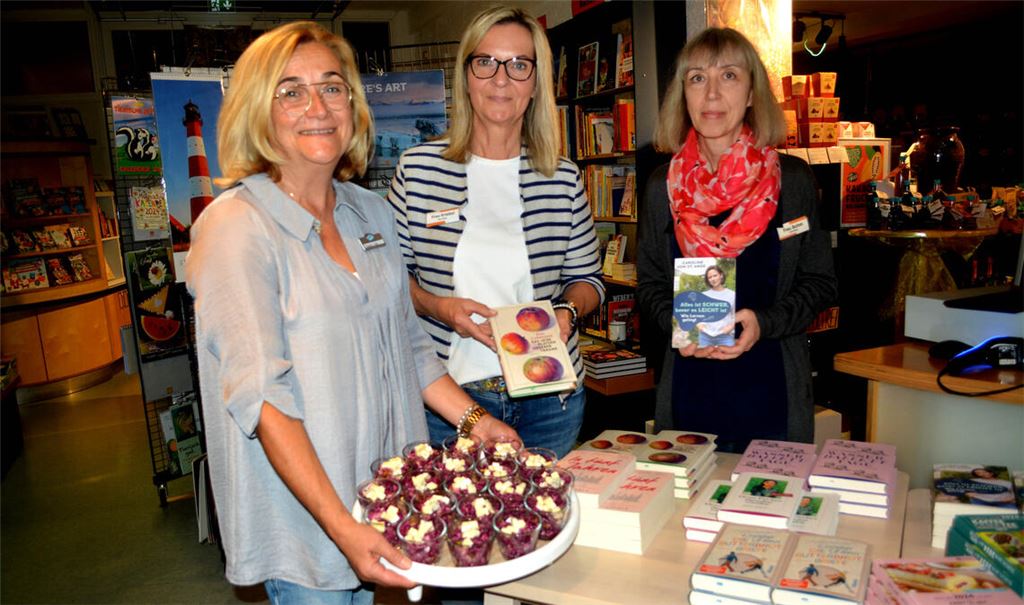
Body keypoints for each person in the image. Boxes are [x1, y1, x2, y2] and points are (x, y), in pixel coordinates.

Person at [186, 22, 516, 604]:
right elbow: (261, 396)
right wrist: (343, 528)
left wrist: (475, 423)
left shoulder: (370, 213)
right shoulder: (237, 228)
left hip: (390, 504)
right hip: (311, 529)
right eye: (290, 91)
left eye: (332, 88)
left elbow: (409, 346)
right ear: (257, 112)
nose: (317, 107)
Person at [387, 7, 604, 458]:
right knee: (457, 527)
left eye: (518, 65)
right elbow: (388, 279)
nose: (501, 79)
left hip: (550, 396)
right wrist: (439, 307)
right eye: (485, 62)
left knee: (545, 523)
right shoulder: (420, 168)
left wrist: (566, 311)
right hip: (448, 401)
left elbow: (589, 281)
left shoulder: (560, 176)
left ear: (536, 82)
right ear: (466, 75)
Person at [636, 27, 838, 453]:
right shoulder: (662, 187)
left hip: (772, 393)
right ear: (683, 95)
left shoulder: (794, 181)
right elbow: (650, 284)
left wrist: (763, 323)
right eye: (697, 78)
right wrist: (676, 325)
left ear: (751, 94)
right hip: (689, 394)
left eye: (728, 76)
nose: (711, 94)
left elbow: (821, 283)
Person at [695, 264, 736, 347]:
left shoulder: (732, 295)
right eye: (710, 277)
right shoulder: (703, 295)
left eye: (715, 275)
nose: (713, 279)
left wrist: (730, 327)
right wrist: (700, 325)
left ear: (721, 275)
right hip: (705, 337)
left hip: (725, 336)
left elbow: (735, 316)